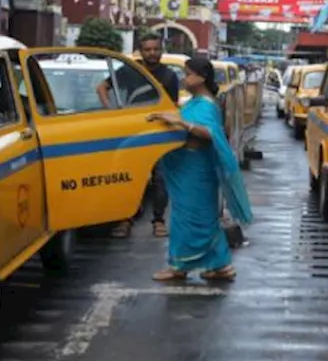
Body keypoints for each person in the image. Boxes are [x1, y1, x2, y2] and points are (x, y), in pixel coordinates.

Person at [146, 56, 253, 282]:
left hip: (196, 169)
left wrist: (182, 123)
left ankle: (179, 266)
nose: (184, 79)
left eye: (188, 74)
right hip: (189, 168)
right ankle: (221, 266)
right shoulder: (194, 101)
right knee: (201, 218)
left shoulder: (206, 104)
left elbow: (209, 133)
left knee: (188, 218)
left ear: (202, 77)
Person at [97, 32, 182, 239]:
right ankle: (125, 220)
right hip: (132, 133)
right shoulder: (129, 71)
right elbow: (102, 88)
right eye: (148, 49)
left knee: (160, 179)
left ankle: (159, 221)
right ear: (140, 51)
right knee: (128, 178)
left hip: (160, 134)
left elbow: (173, 106)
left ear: (161, 50)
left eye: (156, 49)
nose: (152, 53)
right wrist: (113, 111)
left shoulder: (170, 76)